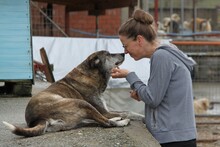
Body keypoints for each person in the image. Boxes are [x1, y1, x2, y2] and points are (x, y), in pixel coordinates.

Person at [111, 9, 197, 147]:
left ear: (139, 39)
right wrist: (141, 92)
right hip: (179, 136)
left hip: (171, 139)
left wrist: (129, 76)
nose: (125, 51)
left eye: (125, 45)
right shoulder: (169, 52)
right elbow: (164, 95)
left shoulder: (161, 57)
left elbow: (152, 99)